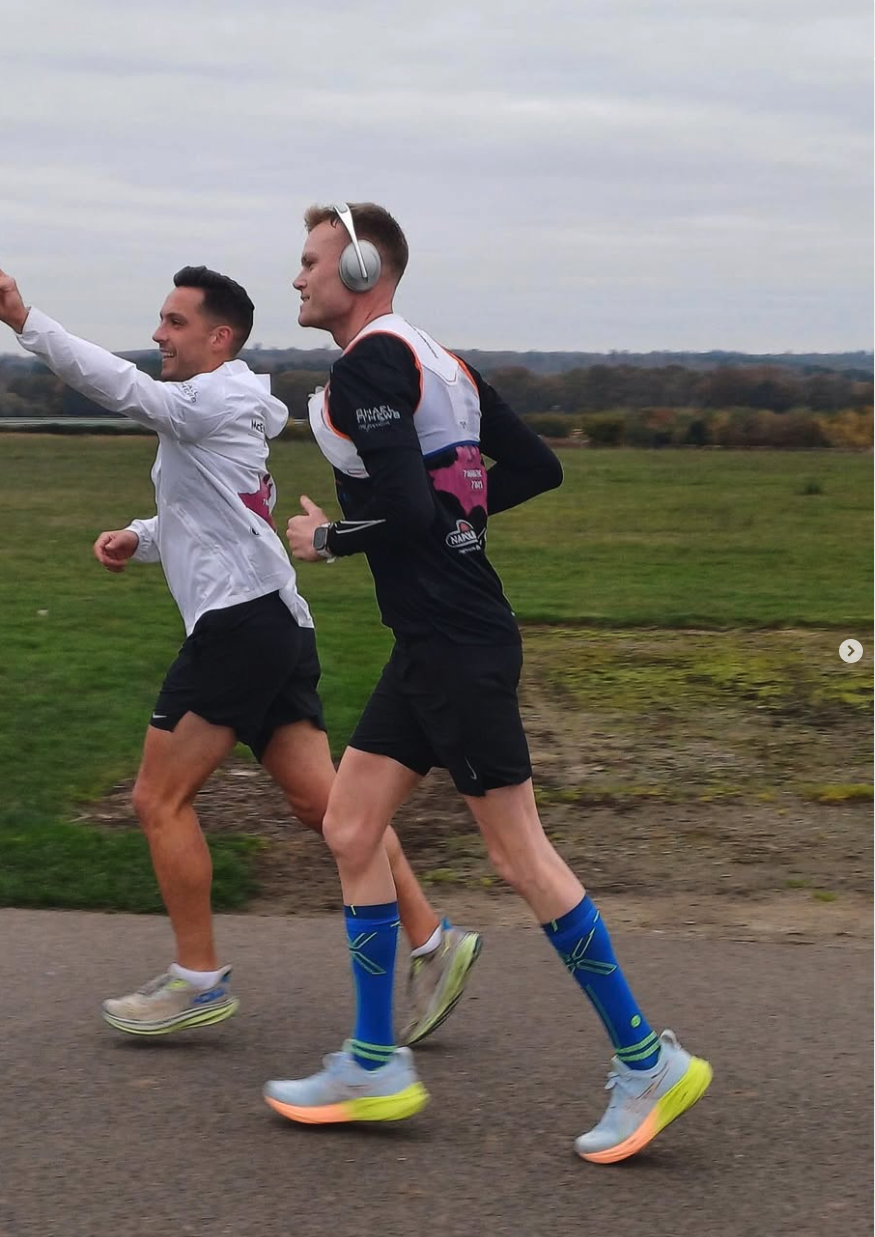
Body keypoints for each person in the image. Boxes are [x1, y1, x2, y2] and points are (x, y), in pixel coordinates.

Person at [262, 204, 712, 1162]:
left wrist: (331, 538)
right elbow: (532, 469)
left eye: (308, 262)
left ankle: (646, 1060)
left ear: (361, 264)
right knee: (350, 825)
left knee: (520, 857)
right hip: (431, 644)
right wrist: (460, 513)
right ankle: (375, 1059)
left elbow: (416, 517)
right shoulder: (446, 365)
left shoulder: (369, 366)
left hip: (455, 647)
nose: (295, 279)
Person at [0, 243, 481, 1045]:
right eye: (162, 319)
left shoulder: (211, 397)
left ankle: (198, 978)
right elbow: (222, 512)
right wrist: (138, 539)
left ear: (220, 339)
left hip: (239, 627)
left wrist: (26, 322)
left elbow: (123, 388)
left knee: (156, 797)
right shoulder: (224, 409)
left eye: (175, 321)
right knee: (329, 806)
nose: (159, 333)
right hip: (271, 623)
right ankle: (432, 941)